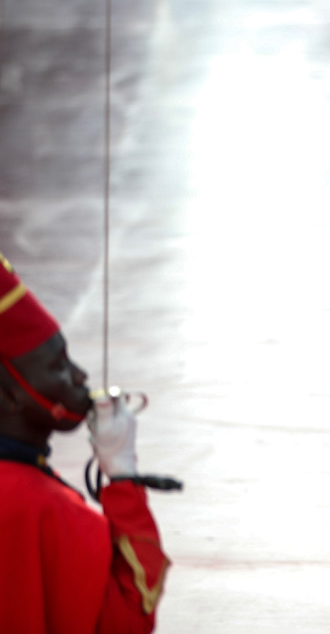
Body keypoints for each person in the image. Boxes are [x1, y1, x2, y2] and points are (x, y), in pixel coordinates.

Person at [0, 253, 170, 634]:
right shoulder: (43, 508)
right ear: (9, 399)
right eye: (58, 366)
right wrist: (122, 476)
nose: (79, 375)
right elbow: (129, 616)